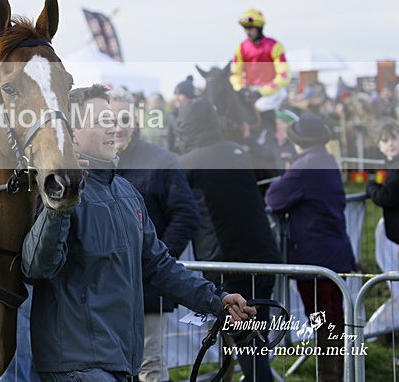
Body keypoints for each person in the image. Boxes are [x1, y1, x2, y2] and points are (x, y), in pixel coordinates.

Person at [22, 84, 255, 382]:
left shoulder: (126, 192)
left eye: (114, 120)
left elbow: (160, 266)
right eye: (102, 121)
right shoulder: (57, 191)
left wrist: (216, 300)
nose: (114, 128)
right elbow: (37, 267)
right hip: (77, 366)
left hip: (122, 362)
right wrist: (60, 204)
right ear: (73, 134)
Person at [174, 97, 280, 382]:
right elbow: (271, 176)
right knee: (252, 337)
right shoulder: (238, 152)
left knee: (247, 341)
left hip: (229, 264)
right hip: (263, 258)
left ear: (184, 127)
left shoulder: (187, 163)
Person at [109, 88, 200, 382]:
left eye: (124, 118)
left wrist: (156, 260)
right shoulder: (91, 162)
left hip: (147, 287)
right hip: (105, 288)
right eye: (110, 119)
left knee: (149, 364)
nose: (118, 126)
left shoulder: (161, 160)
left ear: (135, 121)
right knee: (111, 364)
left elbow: (186, 215)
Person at [266, 113, 355, 381]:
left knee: (322, 319)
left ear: (298, 140)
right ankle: (338, 374)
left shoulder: (305, 166)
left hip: (315, 256)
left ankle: (329, 377)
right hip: (334, 250)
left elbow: (275, 197)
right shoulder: (326, 160)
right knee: (335, 317)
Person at [366, 119, 399, 366]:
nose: (389, 144)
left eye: (394, 138)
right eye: (384, 140)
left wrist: (371, 186)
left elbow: (387, 196)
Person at [229, 9, 290, 137]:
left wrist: (262, 92)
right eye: (245, 28)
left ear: (259, 27)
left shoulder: (275, 46)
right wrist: (240, 89)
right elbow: (235, 73)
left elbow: (284, 76)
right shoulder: (241, 48)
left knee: (262, 106)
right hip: (250, 91)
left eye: (250, 28)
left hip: (272, 91)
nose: (247, 31)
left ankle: (274, 138)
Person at [166, 75, 196, 154]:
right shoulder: (173, 116)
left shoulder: (199, 114)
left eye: (180, 95)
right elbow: (170, 142)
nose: (176, 98)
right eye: (175, 94)